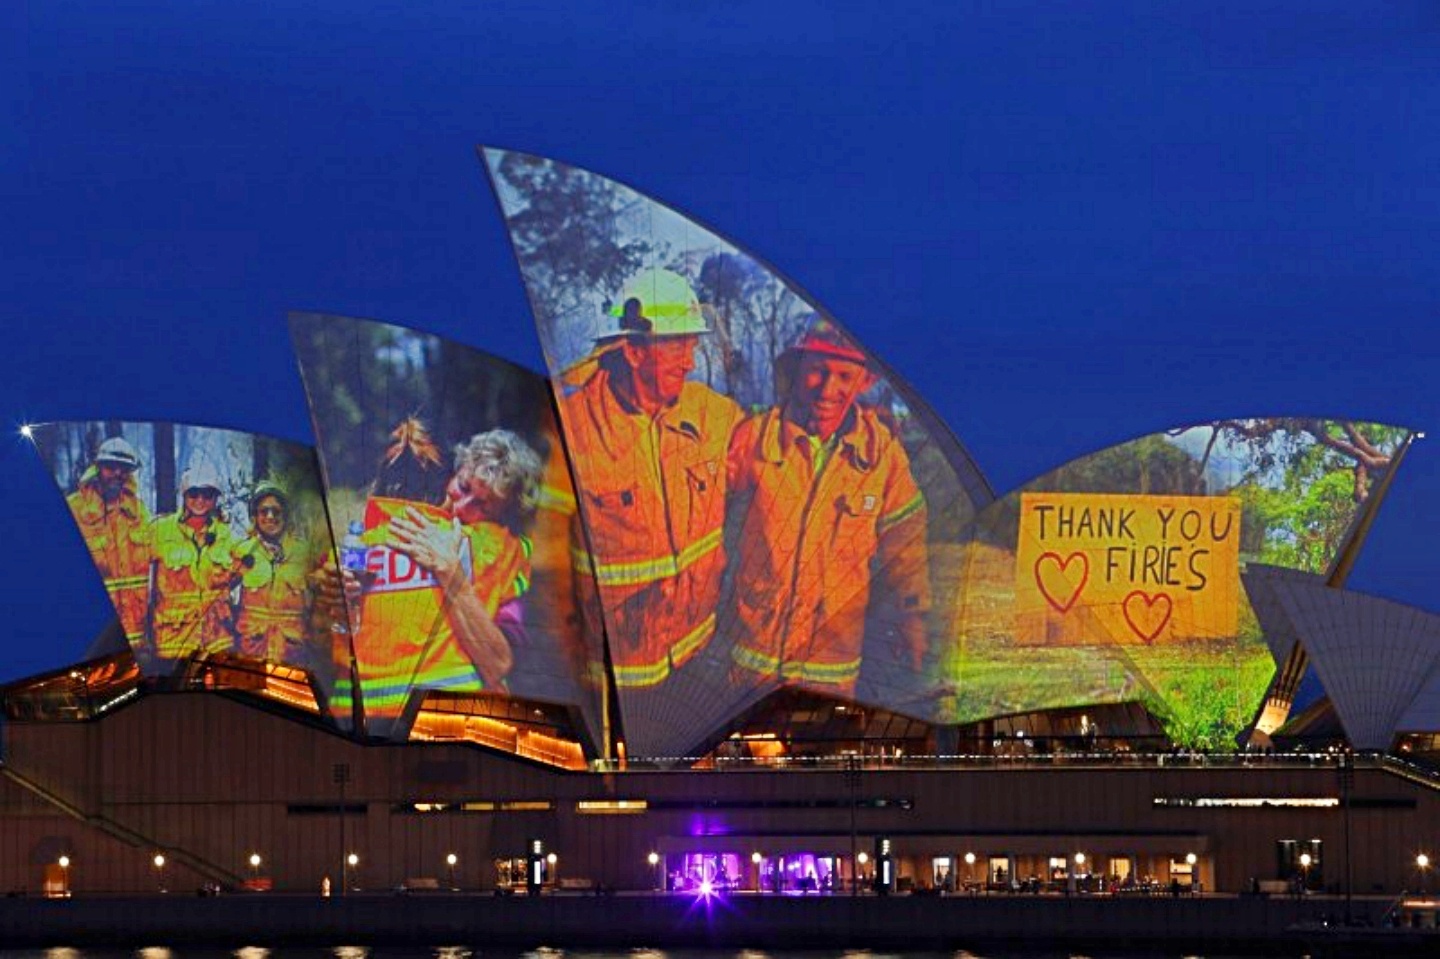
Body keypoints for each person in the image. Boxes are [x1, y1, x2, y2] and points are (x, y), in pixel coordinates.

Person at [724, 318, 930, 698]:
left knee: (821, 748)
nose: (827, 389)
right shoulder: (755, 437)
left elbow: (907, 545)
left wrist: (912, 617)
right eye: (817, 372)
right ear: (798, 368)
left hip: (831, 665)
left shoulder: (882, 456)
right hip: (753, 661)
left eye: (843, 375)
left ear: (863, 382)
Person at [559, 269, 742, 690]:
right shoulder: (571, 428)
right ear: (635, 352)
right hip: (616, 678)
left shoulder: (713, 414)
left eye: (693, 345)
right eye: (678, 345)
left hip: (696, 655)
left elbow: (763, 447)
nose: (691, 362)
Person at [343, 427, 543, 731]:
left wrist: (449, 569)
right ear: (454, 471)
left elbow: (500, 663)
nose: (462, 508)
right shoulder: (367, 533)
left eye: (482, 506)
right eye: (462, 487)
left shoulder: (502, 554)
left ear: (502, 517)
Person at [64, 437, 152, 651]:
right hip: (95, 634)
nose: (117, 474)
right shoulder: (74, 509)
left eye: (124, 469)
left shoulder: (139, 511)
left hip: (137, 637)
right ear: (98, 468)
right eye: (110, 467)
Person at [147, 462, 237, 663]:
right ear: (184, 496)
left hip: (217, 643)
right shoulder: (160, 530)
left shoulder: (226, 534)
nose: (200, 500)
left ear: (215, 499)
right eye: (194, 494)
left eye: (207, 495)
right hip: (172, 642)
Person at [231, 482, 319, 665]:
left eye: (276, 511)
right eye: (264, 511)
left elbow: (322, 601)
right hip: (251, 652)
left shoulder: (304, 552)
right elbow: (220, 593)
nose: (270, 517)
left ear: (285, 515)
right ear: (255, 516)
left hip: (292, 655)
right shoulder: (242, 551)